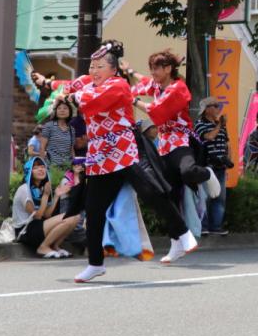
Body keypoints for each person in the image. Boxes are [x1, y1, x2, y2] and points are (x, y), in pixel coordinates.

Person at [32, 40, 200, 282]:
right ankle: (95, 264)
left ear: (112, 69)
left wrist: (67, 98)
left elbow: (89, 100)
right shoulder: (89, 83)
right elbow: (68, 85)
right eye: (91, 67)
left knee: (151, 192)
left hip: (123, 150)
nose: (93, 71)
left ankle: (183, 234)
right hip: (100, 155)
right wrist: (47, 83)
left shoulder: (118, 86)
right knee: (94, 209)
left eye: (99, 66)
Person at [127, 50, 221, 251]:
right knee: (167, 196)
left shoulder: (178, 89)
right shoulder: (159, 84)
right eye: (151, 69)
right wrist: (131, 73)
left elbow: (157, 112)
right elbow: (144, 82)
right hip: (164, 146)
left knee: (188, 171)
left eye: (156, 69)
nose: (152, 73)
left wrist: (132, 99)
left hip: (181, 141)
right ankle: (176, 242)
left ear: (168, 69)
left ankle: (206, 173)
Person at [12, 156, 68, 258]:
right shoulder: (24, 189)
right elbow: (37, 216)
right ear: (29, 172)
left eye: (43, 167)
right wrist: (45, 196)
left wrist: (56, 196)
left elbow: (47, 214)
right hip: (25, 231)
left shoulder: (41, 189)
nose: (41, 169)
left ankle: (55, 246)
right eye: (36, 167)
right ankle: (44, 247)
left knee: (73, 217)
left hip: (38, 227)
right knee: (67, 217)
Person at [193, 97, 232, 235]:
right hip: (207, 165)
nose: (218, 109)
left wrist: (228, 159)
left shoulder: (219, 124)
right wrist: (220, 125)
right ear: (207, 109)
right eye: (215, 106)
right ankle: (203, 226)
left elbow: (226, 143)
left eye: (218, 105)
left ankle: (216, 226)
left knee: (219, 197)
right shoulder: (199, 123)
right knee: (204, 197)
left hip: (220, 165)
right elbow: (209, 137)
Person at [41, 97, 78, 168]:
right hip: (51, 166)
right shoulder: (49, 126)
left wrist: (75, 163)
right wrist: (42, 166)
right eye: (59, 108)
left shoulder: (71, 129)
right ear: (56, 111)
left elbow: (71, 149)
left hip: (67, 167)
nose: (62, 110)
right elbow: (42, 147)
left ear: (70, 111)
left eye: (65, 108)